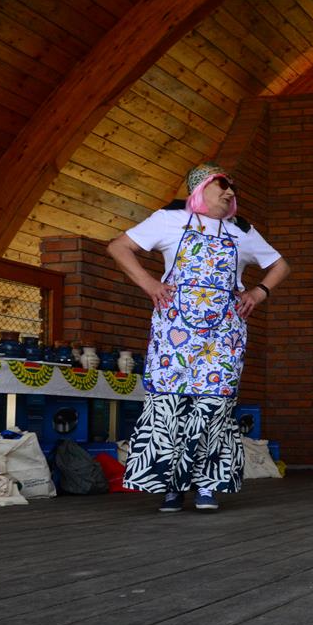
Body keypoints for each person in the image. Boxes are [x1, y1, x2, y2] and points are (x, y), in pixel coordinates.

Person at [108, 163, 290, 512]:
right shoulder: (169, 219)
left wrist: (259, 292)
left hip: (224, 336)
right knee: (170, 406)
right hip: (173, 334)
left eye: (232, 188)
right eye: (222, 185)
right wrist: (149, 283)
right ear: (199, 187)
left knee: (214, 406)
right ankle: (171, 487)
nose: (230, 192)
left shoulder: (241, 231)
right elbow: (118, 247)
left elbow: (280, 265)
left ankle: (208, 485)